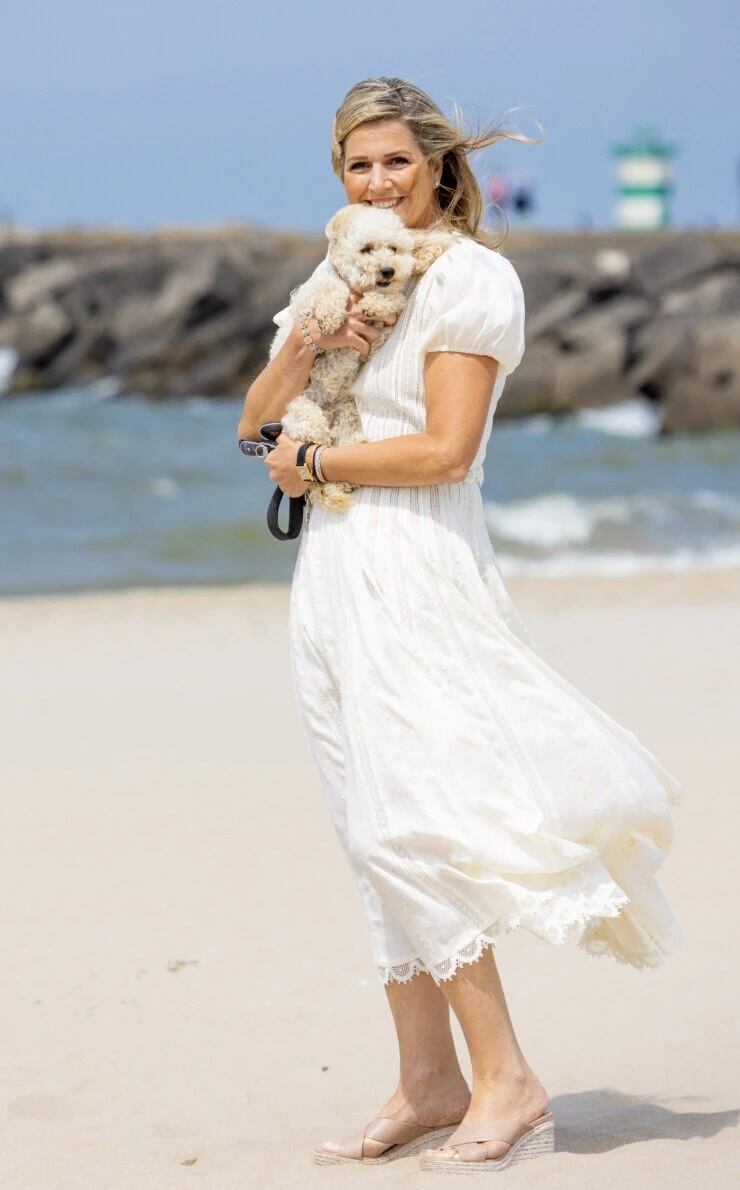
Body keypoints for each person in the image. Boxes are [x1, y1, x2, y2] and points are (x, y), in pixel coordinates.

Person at [236, 76, 682, 1171]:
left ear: (439, 163)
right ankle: (427, 1077)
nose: (378, 182)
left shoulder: (472, 278)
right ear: (338, 177)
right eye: (357, 165)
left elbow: (444, 450)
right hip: (331, 577)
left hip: (415, 561)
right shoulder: (336, 267)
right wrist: (306, 344)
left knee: (411, 820)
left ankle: (507, 1078)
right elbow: (252, 425)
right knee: (363, 835)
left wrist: (318, 458)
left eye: (396, 161)